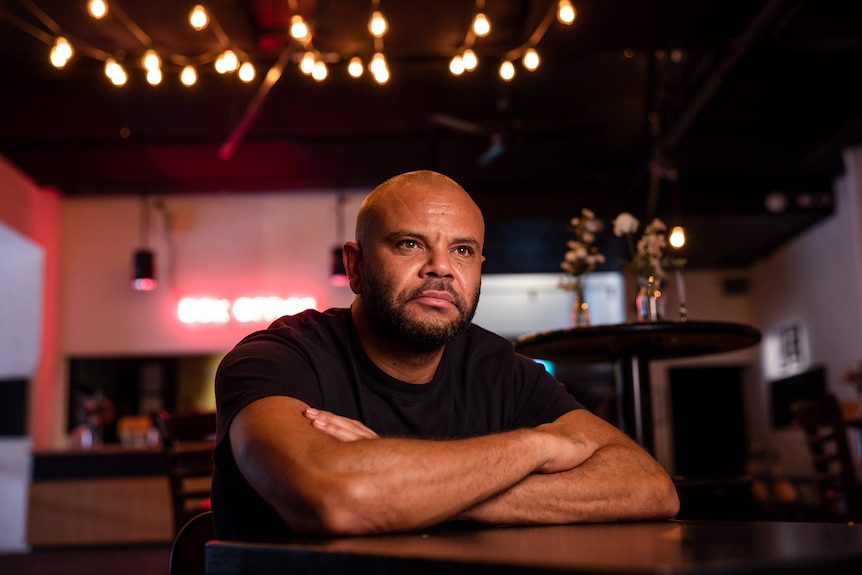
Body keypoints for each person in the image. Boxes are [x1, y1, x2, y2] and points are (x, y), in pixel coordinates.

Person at [212, 170, 679, 540]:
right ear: (355, 266)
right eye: (410, 243)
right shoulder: (276, 360)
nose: (440, 267)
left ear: (478, 269)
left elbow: (650, 488)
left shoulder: (500, 369)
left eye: (461, 249)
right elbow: (336, 500)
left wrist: (415, 488)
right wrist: (537, 445)